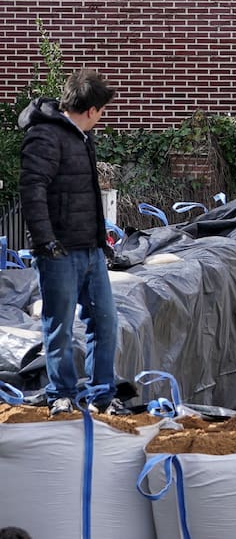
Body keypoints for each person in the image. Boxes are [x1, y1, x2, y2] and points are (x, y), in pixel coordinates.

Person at [18, 68, 128, 417]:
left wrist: (101, 241)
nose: (101, 118)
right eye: (102, 111)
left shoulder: (81, 137)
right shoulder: (45, 136)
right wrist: (46, 241)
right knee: (59, 326)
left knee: (105, 321)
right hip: (59, 252)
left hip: (89, 249)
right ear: (92, 110)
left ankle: (102, 395)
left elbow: (88, 194)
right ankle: (61, 393)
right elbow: (32, 190)